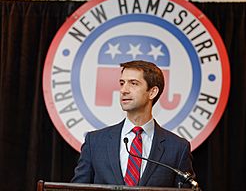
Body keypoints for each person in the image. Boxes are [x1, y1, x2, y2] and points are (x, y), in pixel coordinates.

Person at [71, 60, 196, 188]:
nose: (123, 90)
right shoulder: (95, 142)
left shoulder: (177, 148)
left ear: (152, 92)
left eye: (133, 83)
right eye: (122, 83)